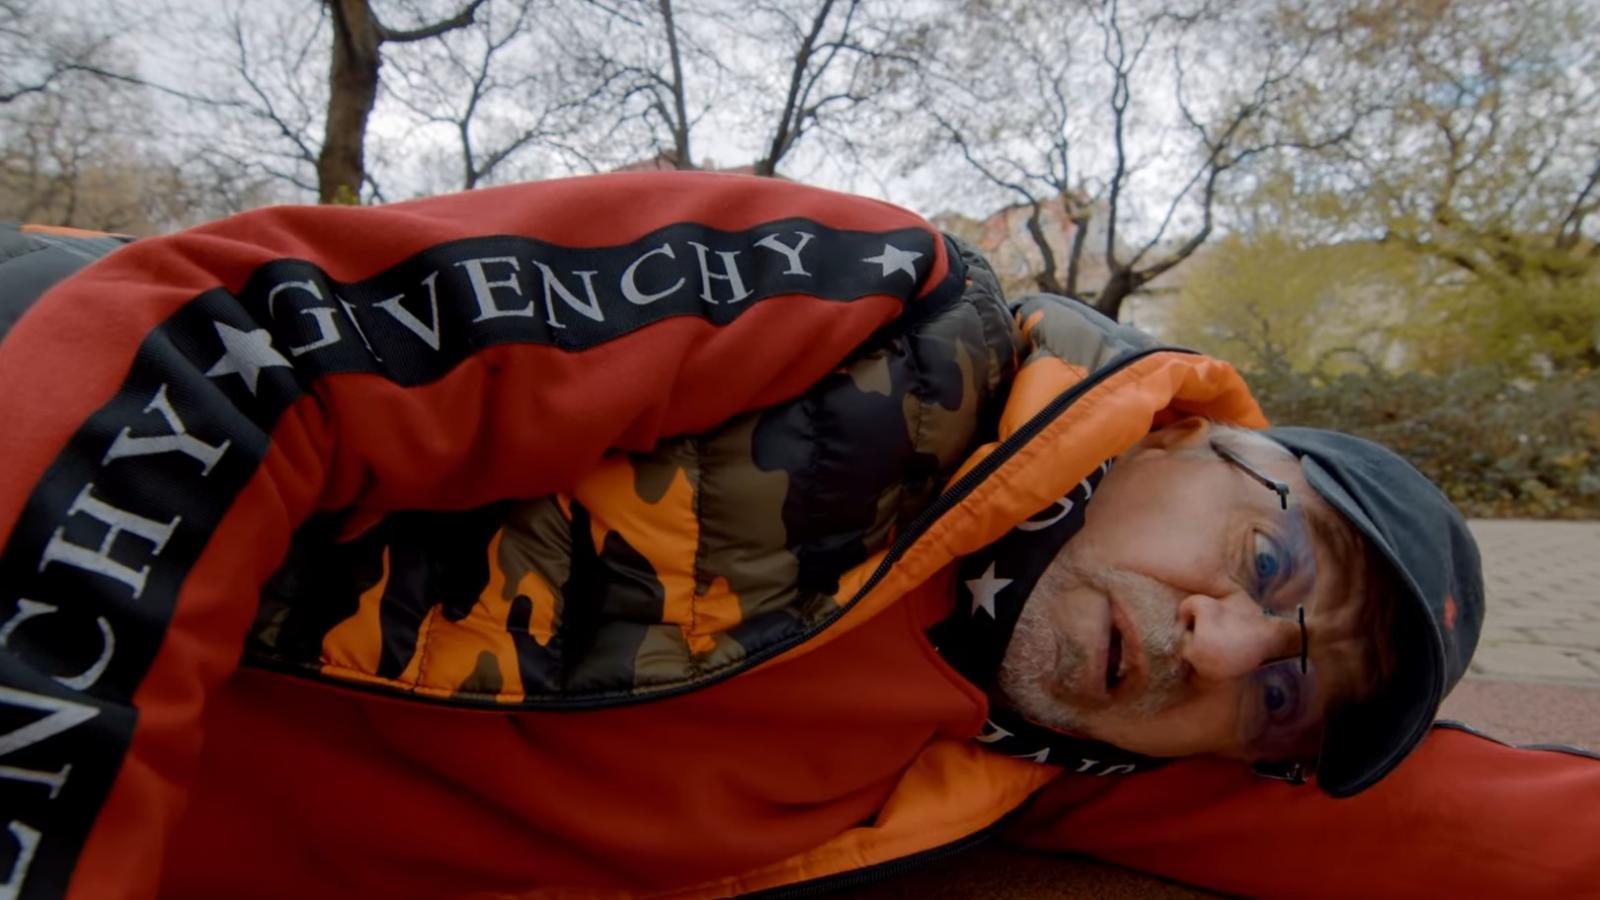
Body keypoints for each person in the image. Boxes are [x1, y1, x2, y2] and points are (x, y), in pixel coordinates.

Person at [0, 173, 1594, 900]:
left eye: (1284, 695)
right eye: (1269, 564)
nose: (1229, 646)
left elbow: (1468, 830)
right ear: (1184, 432)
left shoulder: (1041, 757)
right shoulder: (878, 317)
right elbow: (226, 354)